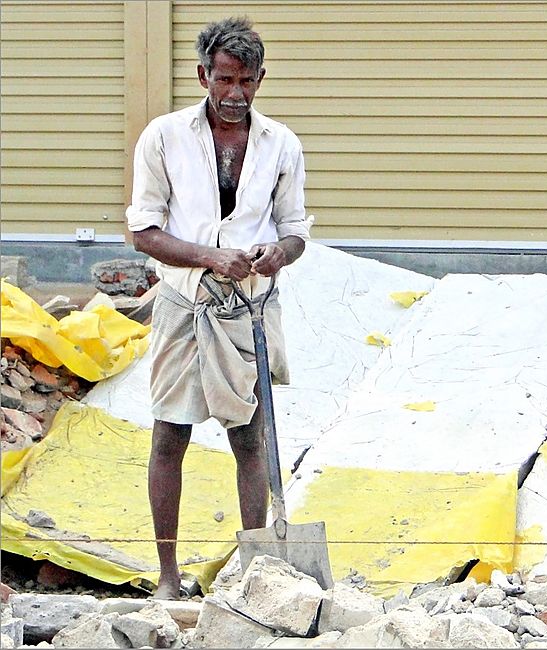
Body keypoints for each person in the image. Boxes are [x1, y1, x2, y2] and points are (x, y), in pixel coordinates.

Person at [126, 16, 312, 598]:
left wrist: (274, 254)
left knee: (250, 439)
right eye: (225, 80)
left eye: (247, 81)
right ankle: (166, 574)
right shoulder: (164, 136)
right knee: (168, 436)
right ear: (203, 75)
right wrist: (211, 258)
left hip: (251, 307)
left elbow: (296, 232)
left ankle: (257, 571)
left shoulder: (281, 144)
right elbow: (143, 232)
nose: (235, 95)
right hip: (185, 304)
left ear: (261, 79)